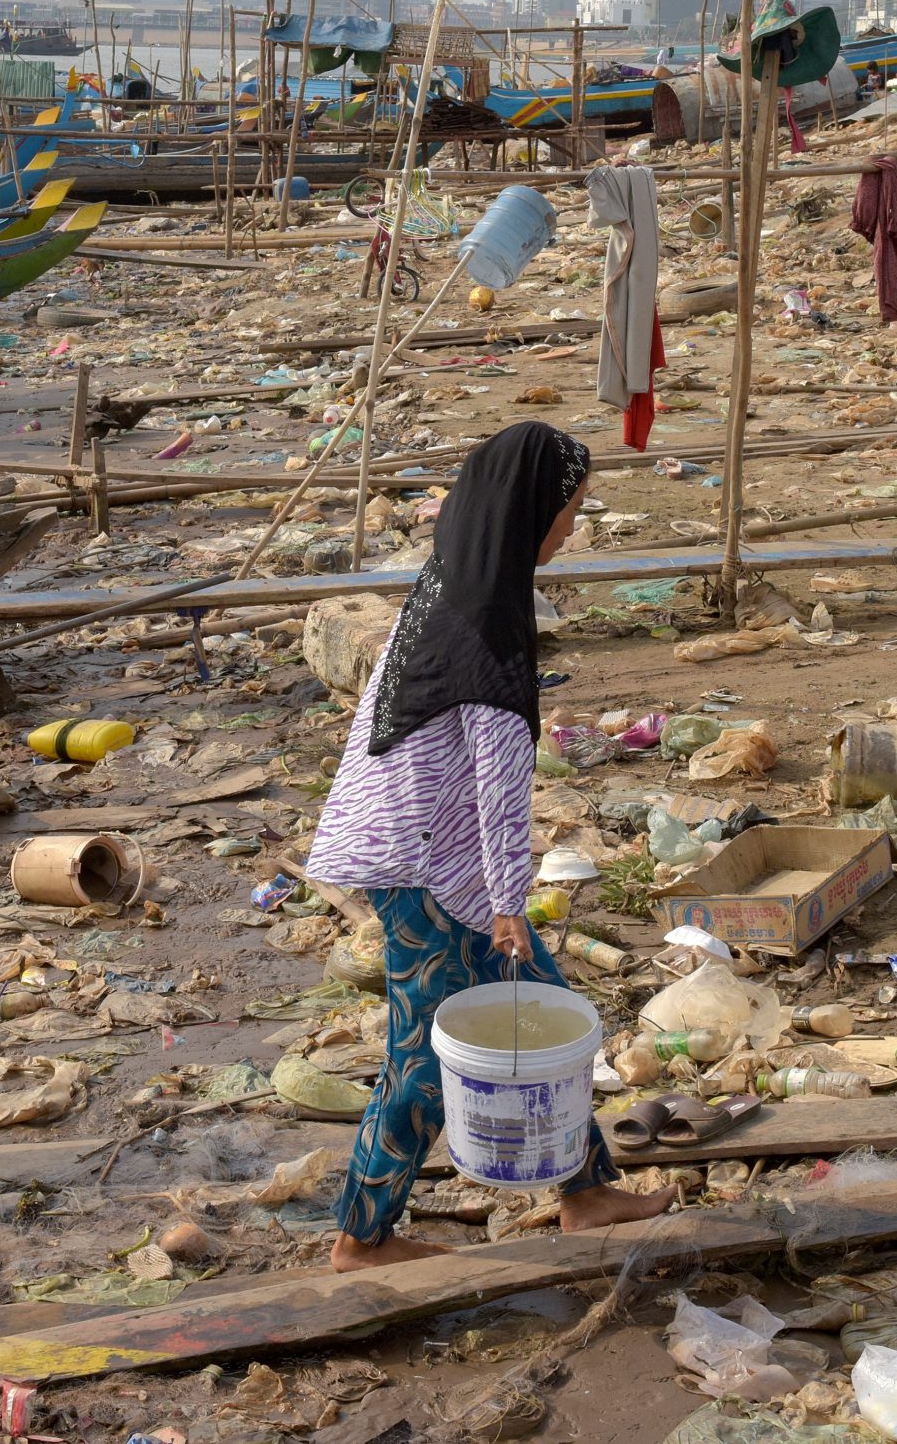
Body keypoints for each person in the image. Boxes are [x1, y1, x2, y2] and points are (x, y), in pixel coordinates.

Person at [307, 421, 676, 1271]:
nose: (572, 529)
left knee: (542, 999)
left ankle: (584, 1192)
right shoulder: (489, 621)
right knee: (425, 1056)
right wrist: (509, 898)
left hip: (424, 847)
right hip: (426, 862)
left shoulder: (452, 580)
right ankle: (362, 1236)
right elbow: (500, 783)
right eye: (569, 511)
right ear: (530, 510)